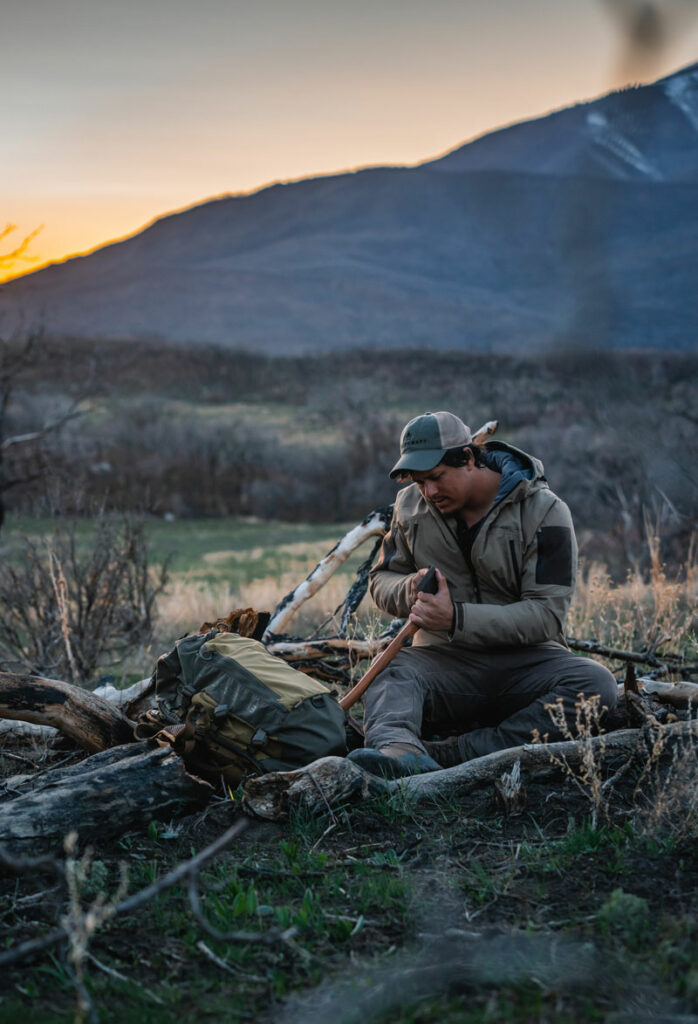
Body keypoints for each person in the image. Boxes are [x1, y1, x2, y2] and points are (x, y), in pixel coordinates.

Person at [348, 411, 617, 778]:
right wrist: (407, 589)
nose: (428, 492)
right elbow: (382, 579)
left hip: (527, 664)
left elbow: (546, 615)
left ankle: (456, 752)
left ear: (469, 458)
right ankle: (397, 752)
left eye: (437, 478)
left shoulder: (544, 510)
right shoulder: (409, 508)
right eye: (420, 481)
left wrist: (456, 618)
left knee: (596, 684)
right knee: (390, 671)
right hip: (442, 664)